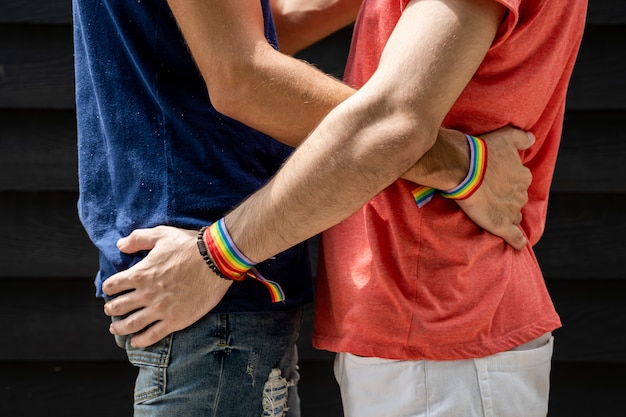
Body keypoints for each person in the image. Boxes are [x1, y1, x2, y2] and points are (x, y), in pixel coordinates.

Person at [87, 1, 560, 417]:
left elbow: (393, 121)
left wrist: (218, 253)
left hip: (443, 313)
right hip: (412, 316)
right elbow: (246, 41)